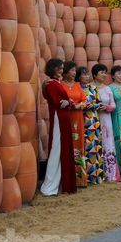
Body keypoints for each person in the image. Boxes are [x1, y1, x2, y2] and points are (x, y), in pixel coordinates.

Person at [41, 58, 76, 196]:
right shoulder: (50, 84)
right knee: (57, 149)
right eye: (59, 68)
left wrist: (68, 102)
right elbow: (58, 102)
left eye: (62, 68)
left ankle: (63, 183)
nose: (61, 71)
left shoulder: (57, 83)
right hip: (58, 119)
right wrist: (68, 102)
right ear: (52, 69)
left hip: (64, 118)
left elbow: (66, 101)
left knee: (63, 148)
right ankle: (50, 186)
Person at [61, 61, 89, 188]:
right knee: (67, 145)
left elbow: (85, 100)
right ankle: (68, 179)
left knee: (79, 145)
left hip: (78, 118)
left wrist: (79, 105)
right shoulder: (61, 85)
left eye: (74, 70)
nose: (74, 73)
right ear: (65, 72)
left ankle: (80, 179)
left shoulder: (78, 85)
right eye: (71, 70)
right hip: (66, 118)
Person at [92, 63, 120, 182]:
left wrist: (106, 107)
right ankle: (95, 176)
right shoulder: (89, 88)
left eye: (105, 72)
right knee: (94, 144)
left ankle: (111, 175)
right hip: (92, 120)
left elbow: (113, 105)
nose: (104, 75)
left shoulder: (108, 89)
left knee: (108, 145)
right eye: (101, 72)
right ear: (94, 75)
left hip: (106, 120)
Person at [78, 66, 104, 184]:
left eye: (88, 74)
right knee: (84, 147)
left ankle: (95, 177)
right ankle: (84, 177)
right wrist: (83, 106)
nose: (87, 76)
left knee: (94, 147)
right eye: (84, 74)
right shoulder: (76, 88)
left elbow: (99, 104)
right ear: (79, 76)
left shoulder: (93, 88)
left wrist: (93, 105)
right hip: (81, 120)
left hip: (93, 120)